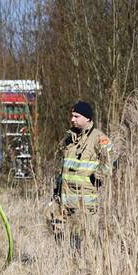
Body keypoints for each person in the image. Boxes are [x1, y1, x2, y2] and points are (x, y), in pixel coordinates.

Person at [49, 100, 115, 247]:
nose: (72, 119)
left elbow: (112, 160)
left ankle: (81, 264)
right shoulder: (69, 138)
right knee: (53, 223)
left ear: (88, 119)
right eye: (72, 116)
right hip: (65, 198)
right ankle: (63, 259)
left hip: (84, 200)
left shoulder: (98, 138)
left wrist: (97, 176)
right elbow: (64, 167)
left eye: (76, 116)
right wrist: (57, 188)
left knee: (80, 239)